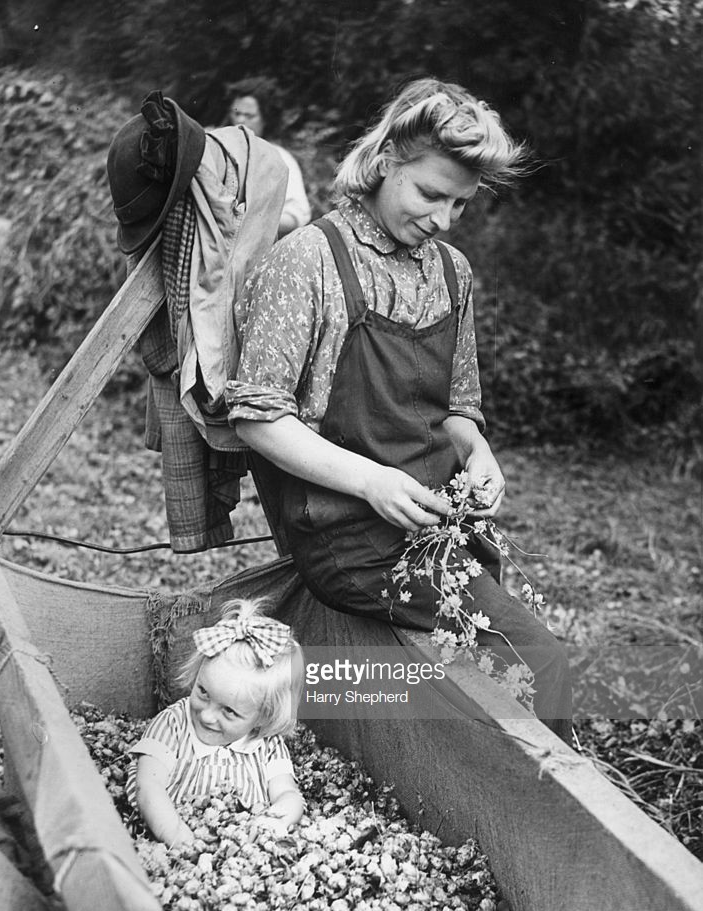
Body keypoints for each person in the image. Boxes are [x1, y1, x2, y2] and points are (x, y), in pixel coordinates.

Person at [225, 78, 572, 743]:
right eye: (430, 194)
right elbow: (257, 418)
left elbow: (457, 408)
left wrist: (480, 454)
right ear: (385, 159)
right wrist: (372, 481)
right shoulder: (308, 262)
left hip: (433, 525)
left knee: (510, 659)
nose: (442, 219)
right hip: (345, 531)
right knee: (542, 660)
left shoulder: (452, 271)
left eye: (461, 205)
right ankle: (558, 812)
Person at [126, 598, 306, 846]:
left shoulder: (267, 744)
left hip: (241, 851)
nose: (207, 715)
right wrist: (179, 838)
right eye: (203, 692)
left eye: (229, 711)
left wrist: (273, 823)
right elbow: (148, 787)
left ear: (263, 717)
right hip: (165, 839)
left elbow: (288, 794)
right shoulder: (173, 724)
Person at [226, 76, 311, 236]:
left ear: (266, 119)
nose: (240, 121)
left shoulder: (279, 158)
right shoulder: (219, 151)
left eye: (250, 116)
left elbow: (297, 215)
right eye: (236, 113)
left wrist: (249, 223)